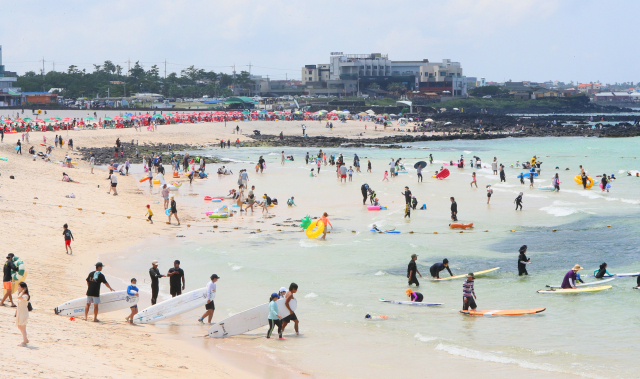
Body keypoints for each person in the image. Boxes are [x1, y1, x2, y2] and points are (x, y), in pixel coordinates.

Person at [15, 282, 30, 346]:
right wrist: (16, 312)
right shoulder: (21, 295)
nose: (18, 288)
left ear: (23, 288)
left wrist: (23, 291)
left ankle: (24, 342)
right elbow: (18, 304)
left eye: (19, 287)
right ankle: (25, 339)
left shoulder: (26, 296)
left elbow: (19, 297)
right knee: (19, 326)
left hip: (23, 313)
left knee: (23, 327)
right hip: (19, 312)